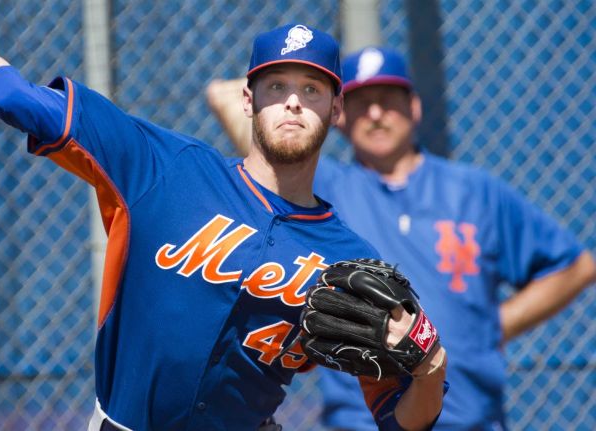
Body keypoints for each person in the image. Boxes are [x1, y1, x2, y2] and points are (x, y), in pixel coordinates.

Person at [0, 3, 448, 430]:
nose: (293, 102)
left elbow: (400, 420)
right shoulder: (164, 167)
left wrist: (430, 367)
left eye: (312, 88)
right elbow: (19, 100)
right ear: (248, 99)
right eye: (276, 86)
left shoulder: (348, 259)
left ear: (336, 109)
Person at [206, 46, 596, 430]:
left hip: (471, 416)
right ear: (337, 113)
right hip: (364, 420)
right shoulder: (323, 190)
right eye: (361, 102)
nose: (375, 114)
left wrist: (494, 326)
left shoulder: (475, 191)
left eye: (388, 100)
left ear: (414, 108)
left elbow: (575, 266)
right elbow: (237, 111)